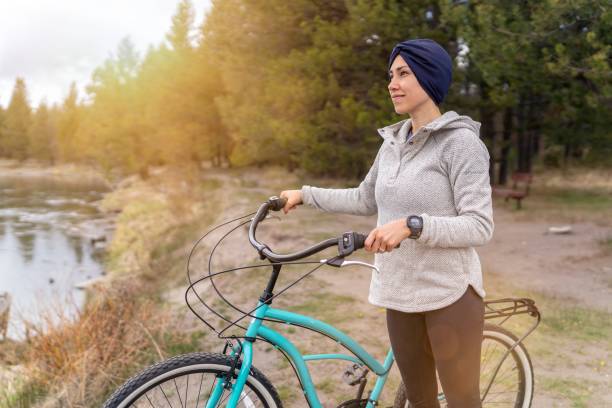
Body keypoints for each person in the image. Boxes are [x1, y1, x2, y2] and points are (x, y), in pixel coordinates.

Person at [280, 38, 493, 408]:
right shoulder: (393, 142)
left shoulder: (461, 145)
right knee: (419, 401)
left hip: (450, 295)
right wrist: (305, 193)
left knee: (462, 401)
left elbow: (479, 225)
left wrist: (413, 225)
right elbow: (365, 198)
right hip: (399, 292)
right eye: (391, 75)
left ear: (429, 78)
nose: (392, 83)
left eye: (404, 73)